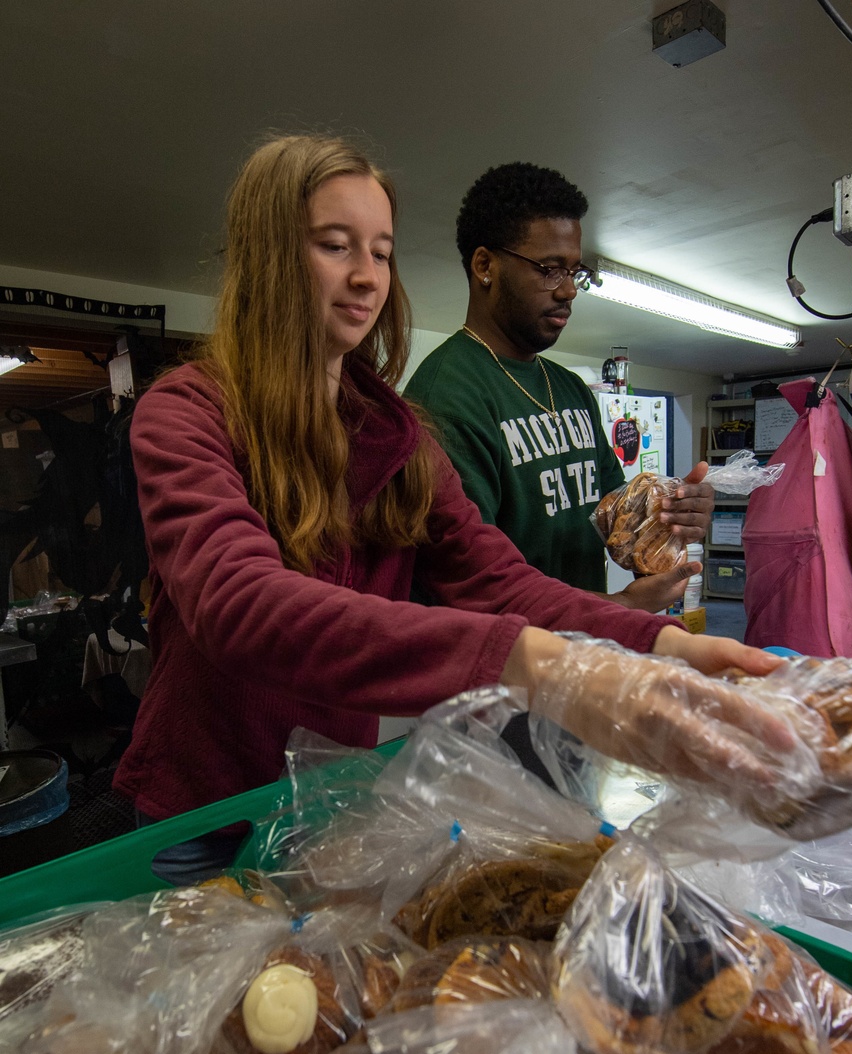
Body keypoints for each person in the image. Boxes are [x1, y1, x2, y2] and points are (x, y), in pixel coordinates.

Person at [113, 135, 783, 882]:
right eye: (336, 246)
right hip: (206, 806)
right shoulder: (185, 413)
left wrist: (658, 646)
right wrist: (534, 661)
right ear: (271, 256)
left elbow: (500, 581)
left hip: (332, 794)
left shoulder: (398, 439)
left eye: (382, 251)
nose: (367, 277)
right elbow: (240, 603)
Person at [406, 162, 714, 610]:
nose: (568, 290)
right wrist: (622, 608)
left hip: (578, 656)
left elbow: (616, 520)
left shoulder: (569, 388)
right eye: (549, 269)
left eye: (574, 271)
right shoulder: (445, 396)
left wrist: (669, 515)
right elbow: (468, 589)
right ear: (485, 265)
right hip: (501, 668)